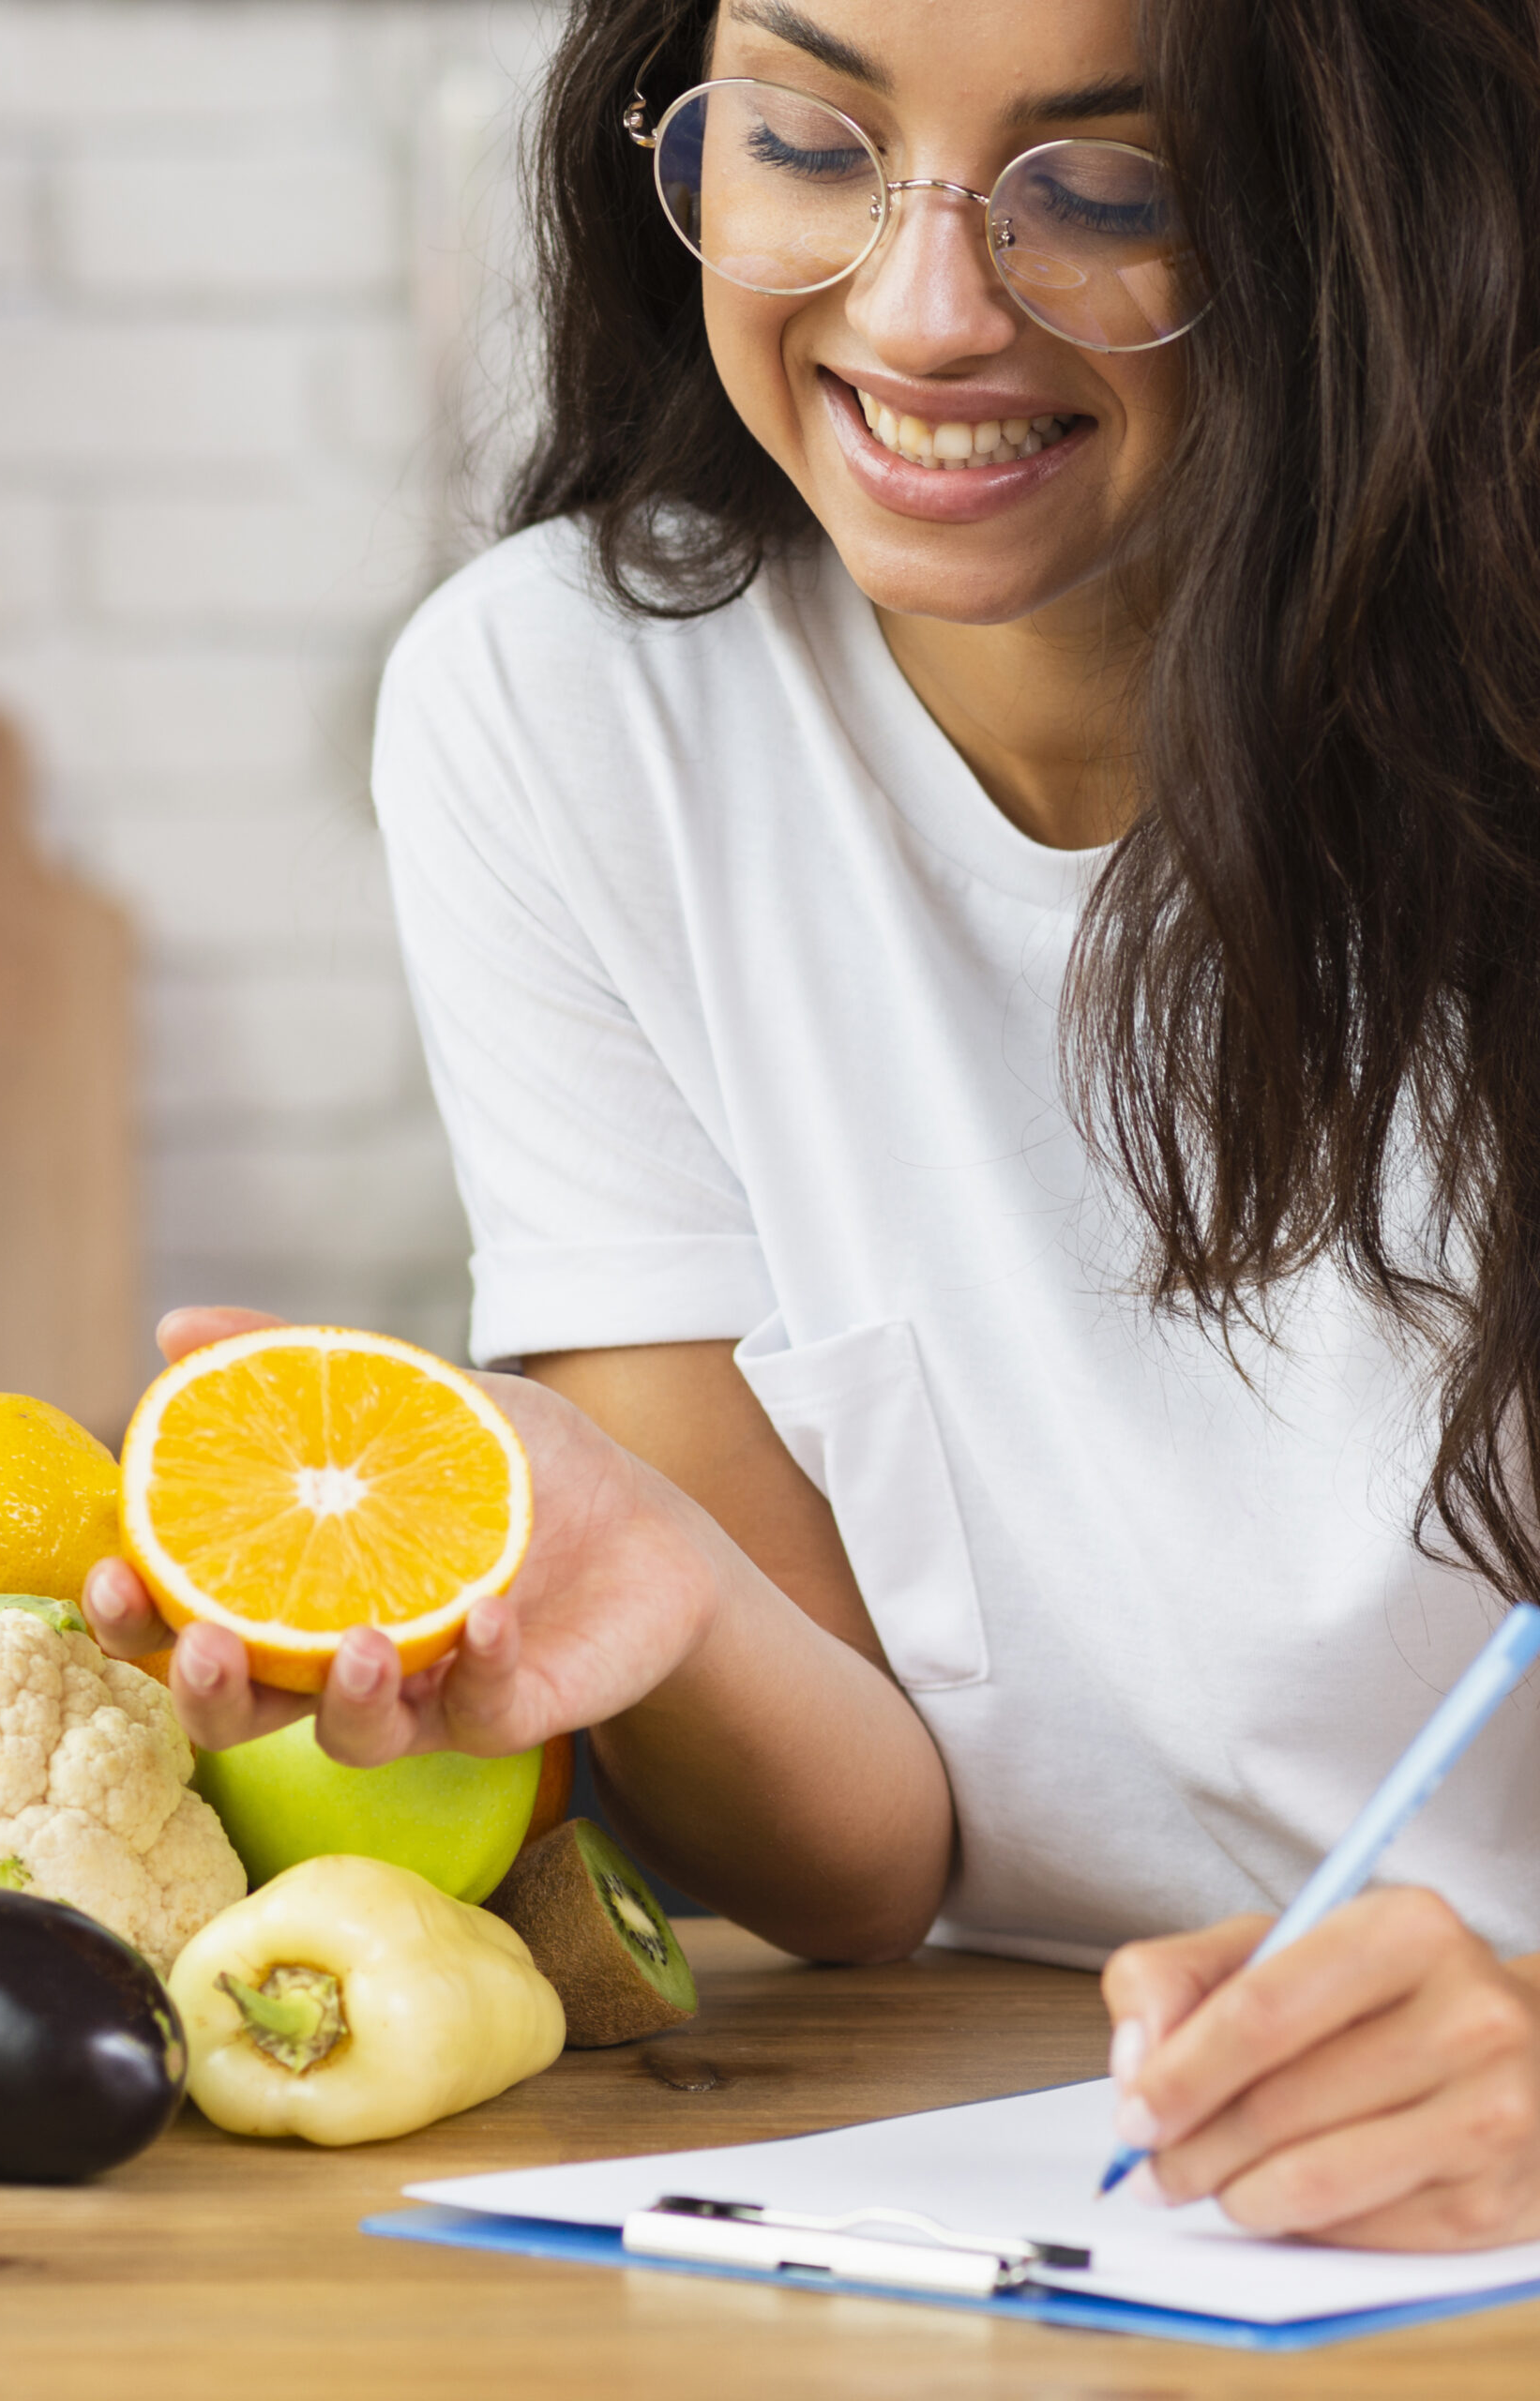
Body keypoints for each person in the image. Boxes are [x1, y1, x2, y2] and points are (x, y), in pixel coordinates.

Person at [87, 0, 1540, 2249]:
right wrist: (651, 1586)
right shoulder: (559, 709)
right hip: (1026, 2153)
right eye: (800, 138)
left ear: (1382, 220)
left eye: (1111, 186)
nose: (920, 308)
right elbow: (871, 1865)